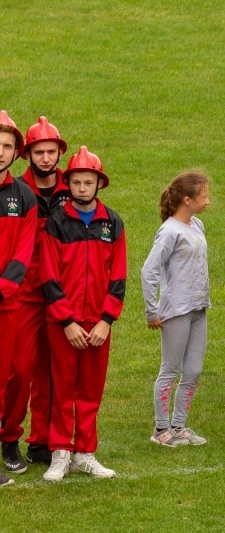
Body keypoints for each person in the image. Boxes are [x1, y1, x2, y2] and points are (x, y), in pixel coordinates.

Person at [40, 146, 126, 481]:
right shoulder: (57, 223)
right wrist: (66, 321)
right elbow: (49, 276)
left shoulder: (113, 222)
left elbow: (118, 276)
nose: (81, 188)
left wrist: (106, 320)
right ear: (69, 183)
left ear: (98, 184)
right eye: (76, 182)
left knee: (91, 389)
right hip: (64, 325)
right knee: (63, 388)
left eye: (88, 182)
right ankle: (60, 453)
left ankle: (85, 453)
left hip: (97, 324)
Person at [1, 117, 71, 475]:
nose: (46, 158)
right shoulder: (18, 189)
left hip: (60, 292)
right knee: (21, 369)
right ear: (26, 154)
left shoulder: (75, 186)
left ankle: (42, 442)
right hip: (24, 293)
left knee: (55, 370)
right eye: (38, 151)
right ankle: (9, 436)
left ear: (61, 151)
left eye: (51, 151)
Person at [141, 171, 212, 448]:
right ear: (187, 199)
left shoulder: (197, 226)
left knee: (193, 371)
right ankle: (161, 428)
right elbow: (149, 270)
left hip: (198, 309)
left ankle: (179, 425)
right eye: (203, 196)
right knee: (170, 369)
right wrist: (152, 311)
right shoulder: (170, 230)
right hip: (176, 311)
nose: (207, 201)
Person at [0, 111, 37, 487]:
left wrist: (4, 288)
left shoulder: (23, 196)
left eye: (6, 145)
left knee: (17, 374)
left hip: (8, 303)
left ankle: (10, 439)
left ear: (15, 152)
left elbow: (23, 252)